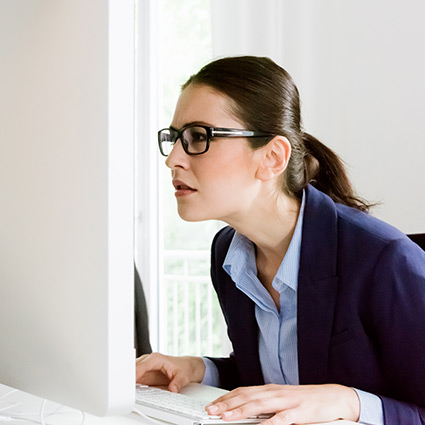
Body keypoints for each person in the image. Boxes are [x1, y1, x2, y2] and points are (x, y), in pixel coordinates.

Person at [136, 56, 425, 425]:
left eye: (198, 137)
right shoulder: (228, 254)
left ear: (272, 158)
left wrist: (349, 402)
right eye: (175, 138)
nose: (173, 158)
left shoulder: (384, 260)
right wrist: (198, 369)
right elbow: (278, 380)